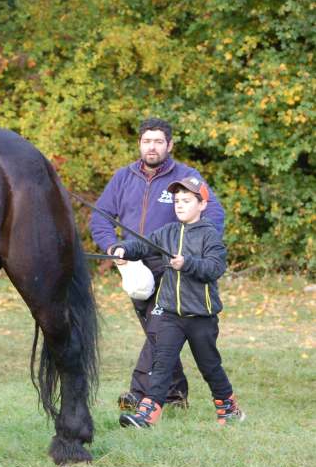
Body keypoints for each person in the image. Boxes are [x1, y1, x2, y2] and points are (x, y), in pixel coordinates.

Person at [91, 117, 225, 410]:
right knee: (160, 332)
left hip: (172, 266)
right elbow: (100, 216)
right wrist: (114, 248)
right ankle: (175, 395)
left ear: (170, 145)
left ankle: (140, 394)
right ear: (139, 143)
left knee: (158, 327)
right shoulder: (123, 177)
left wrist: (193, 249)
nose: (152, 147)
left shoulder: (186, 177)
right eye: (147, 141)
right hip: (134, 264)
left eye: (158, 141)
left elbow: (213, 213)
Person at [110, 177, 244, 428]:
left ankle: (229, 409)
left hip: (200, 317)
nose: (179, 205)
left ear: (202, 204)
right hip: (170, 314)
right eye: (176, 201)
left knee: (210, 366)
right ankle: (147, 416)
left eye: (186, 200)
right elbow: (141, 245)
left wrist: (187, 264)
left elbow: (215, 268)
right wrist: (122, 249)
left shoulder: (209, 235)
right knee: (161, 364)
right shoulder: (168, 232)